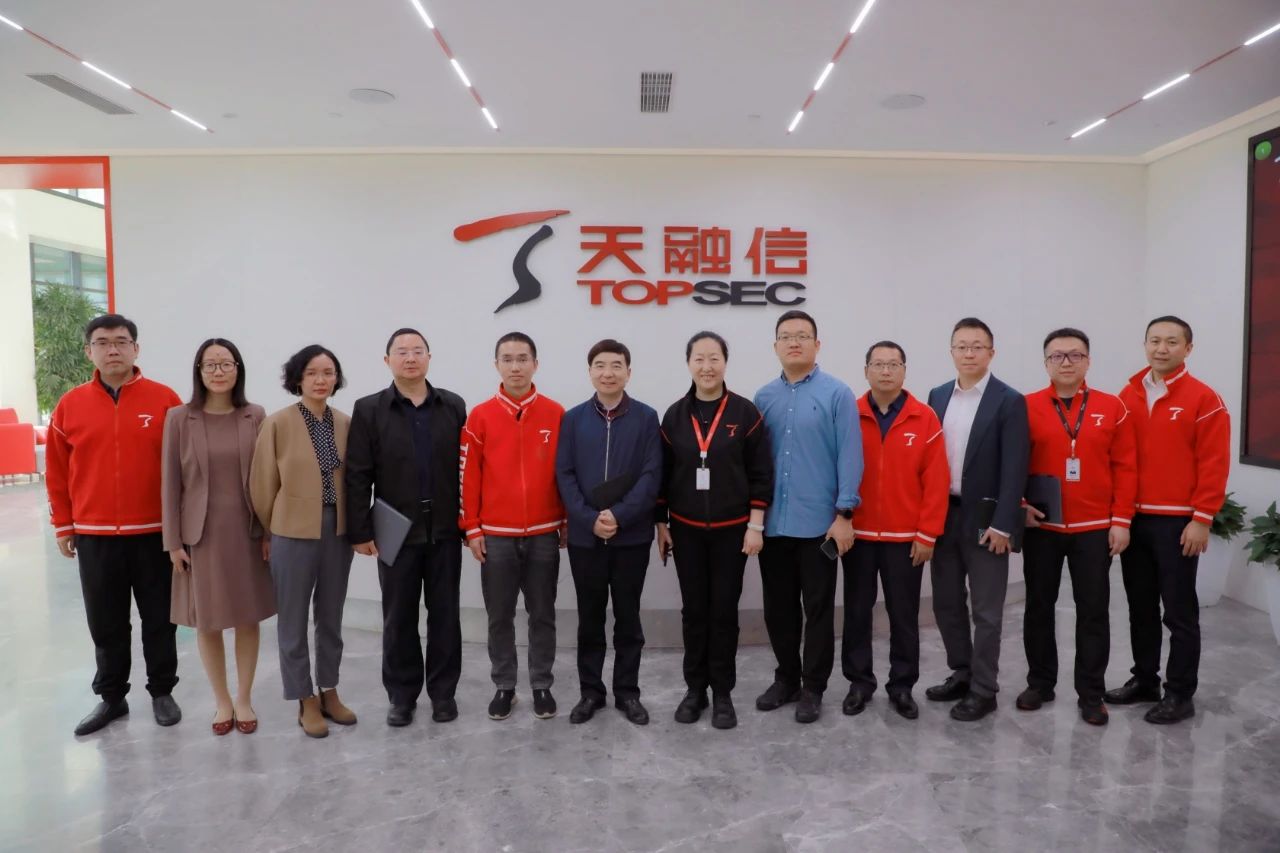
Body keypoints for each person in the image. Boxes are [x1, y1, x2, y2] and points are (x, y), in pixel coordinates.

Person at [47, 314, 183, 736]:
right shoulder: (70, 405)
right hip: (95, 535)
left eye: (122, 342)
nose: (113, 350)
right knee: (105, 623)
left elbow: (184, 468)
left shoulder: (165, 400)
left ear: (136, 349)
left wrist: (182, 528)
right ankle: (111, 698)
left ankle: (162, 691)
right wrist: (63, 525)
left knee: (160, 618)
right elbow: (57, 472)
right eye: (103, 343)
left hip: (155, 533)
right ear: (89, 351)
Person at [1106, 315, 1229, 724]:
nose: (1162, 348)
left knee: (1178, 613)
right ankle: (1145, 681)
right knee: (1140, 607)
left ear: (1187, 348)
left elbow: (1214, 462)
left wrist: (1202, 518)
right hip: (1135, 520)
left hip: (1178, 524)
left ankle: (1180, 693)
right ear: (1145, 345)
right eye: (1155, 340)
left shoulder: (1204, 399)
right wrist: (1119, 516)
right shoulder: (1127, 395)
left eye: (1172, 342)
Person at [345, 329, 467, 728]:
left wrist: (470, 522)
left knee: (445, 615)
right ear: (388, 361)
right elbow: (358, 474)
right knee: (398, 617)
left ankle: (443, 694)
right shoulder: (369, 409)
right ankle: (401, 696)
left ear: (429, 357)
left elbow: (467, 470)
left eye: (417, 351)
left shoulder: (452, 405)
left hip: (445, 528)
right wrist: (360, 531)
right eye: (401, 352)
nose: (410, 358)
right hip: (394, 528)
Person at [1017, 328, 1136, 726]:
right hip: (1043, 527)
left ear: (1088, 361)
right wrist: (1019, 506)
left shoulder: (1112, 407)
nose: (1066, 362)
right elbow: (1012, 465)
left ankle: (1091, 693)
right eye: (1057, 355)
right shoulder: (1026, 406)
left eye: (1075, 355)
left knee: (1093, 611)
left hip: (1094, 528)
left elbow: (1126, 467)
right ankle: (1040, 683)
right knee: (1038, 607)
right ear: (1045, 362)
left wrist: (1121, 521)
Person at [656, 331, 773, 730]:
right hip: (686, 531)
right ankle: (695, 690)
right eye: (699, 359)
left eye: (714, 358)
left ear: (725, 362)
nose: (707, 367)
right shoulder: (674, 416)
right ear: (688, 363)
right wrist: (661, 523)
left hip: (732, 533)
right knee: (694, 612)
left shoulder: (745, 413)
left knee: (723, 612)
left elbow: (761, 473)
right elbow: (663, 474)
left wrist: (755, 525)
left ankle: (722, 692)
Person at [753, 310, 862, 724]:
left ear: (817, 344)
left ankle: (813, 687)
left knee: (817, 610)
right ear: (775, 346)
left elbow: (850, 455)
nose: (794, 342)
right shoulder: (763, 397)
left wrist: (844, 513)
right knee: (778, 609)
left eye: (802, 335)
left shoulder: (837, 394)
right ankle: (786, 679)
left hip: (820, 526)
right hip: (774, 525)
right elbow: (756, 462)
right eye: (786, 336)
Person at [162, 338, 275, 736]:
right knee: (207, 621)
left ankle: (243, 697)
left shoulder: (255, 415)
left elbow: (267, 478)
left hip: (248, 532)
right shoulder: (179, 418)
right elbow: (170, 483)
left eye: (226, 363)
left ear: (238, 369)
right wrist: (173, 542)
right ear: (199, 371)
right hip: (201, 535)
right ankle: (222, 700)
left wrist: (269, 532)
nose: (218, 371)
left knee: (247, 616)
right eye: (210, 365)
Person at [925, 317, 1029, 722]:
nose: (969, 353)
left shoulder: (1008, 400)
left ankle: (984, 689)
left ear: (991, 352)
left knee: (986, 612)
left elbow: (1015, 468)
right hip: (944, 516)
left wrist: (1004, 525)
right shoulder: (937, 396)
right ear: (951, 351)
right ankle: (962, 673)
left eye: (977, 346)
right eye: (962, 346)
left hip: (987, 520)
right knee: (946, 603)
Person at [250, 344, 356, 738]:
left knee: (331, 616)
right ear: (298, 378)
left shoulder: (345, 423)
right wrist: (270, 530)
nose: (320, 380)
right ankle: (304, 698)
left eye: (328, 372)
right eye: (312, 372)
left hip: (337, 530)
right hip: (291, 531)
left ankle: (329, 690)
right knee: (293, 619)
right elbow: (262, 485)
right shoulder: (277, 423)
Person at [459, 332, 566, 722]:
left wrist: (566, 520)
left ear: (536, 364)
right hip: (496, 536)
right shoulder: (480, 416)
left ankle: (541, 685)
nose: (516, 366)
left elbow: (566, 473)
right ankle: (504, 685)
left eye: (523, 359)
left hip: (543, 533)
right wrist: (472, 527)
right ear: (497, 365)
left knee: (543, 613)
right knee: (499, 615)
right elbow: (468, 475)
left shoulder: (556, 413)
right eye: (508, 359)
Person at [556, 339, 662, 726]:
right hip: (586, 539)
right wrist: (589, 519)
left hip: (631, 536)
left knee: (628, 617)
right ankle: (591, 692)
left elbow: (651, 475)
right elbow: (565, 475)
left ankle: (627, 692)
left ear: (628, 373)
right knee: (590, 617)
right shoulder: (572, 419)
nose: (608, 373)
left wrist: (619, 515)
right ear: (590, 372)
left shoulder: (647, 418)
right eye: (600, 365)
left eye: (616, 365)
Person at [842, 341, 949, 721]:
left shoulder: (924, 417)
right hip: (858, 536)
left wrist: (927, 533)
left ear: (904, 370)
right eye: (878, 364)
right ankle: (859, 683)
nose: (885, 371)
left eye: (893, 364)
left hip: (906, 540)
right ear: (866, 370)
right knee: (857, 612)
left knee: (904, 615)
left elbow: (936, 480)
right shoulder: (850, 414)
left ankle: (902, 686)